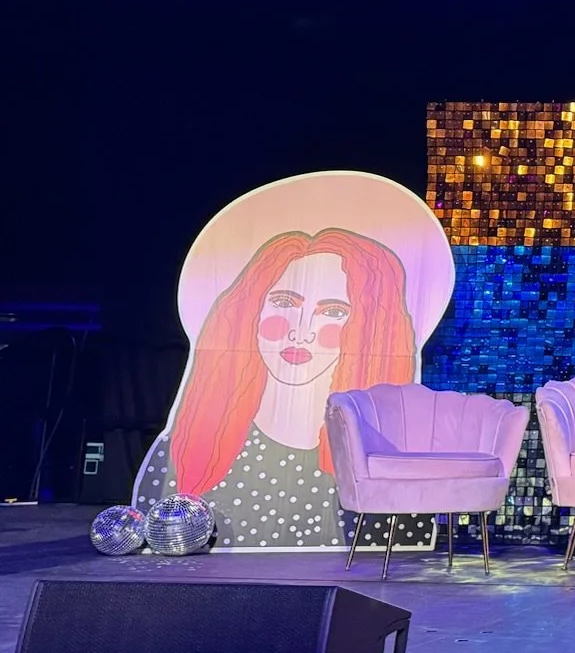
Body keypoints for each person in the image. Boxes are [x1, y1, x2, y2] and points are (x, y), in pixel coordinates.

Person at [133, 228, 416, 548]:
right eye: (284, 303)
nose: (301, 331)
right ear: (252, 309)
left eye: (334, 312)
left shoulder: (378, 460)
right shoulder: (188, 447)